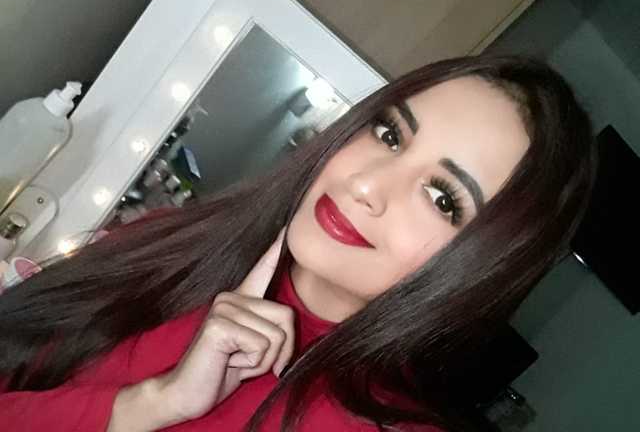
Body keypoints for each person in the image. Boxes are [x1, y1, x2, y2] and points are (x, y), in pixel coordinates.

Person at [0, 54, 597, 431]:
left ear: (484, 266)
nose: (365, 184)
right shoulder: (177, 239)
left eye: (443, 198)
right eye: (389, 134)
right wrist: (150, 404)